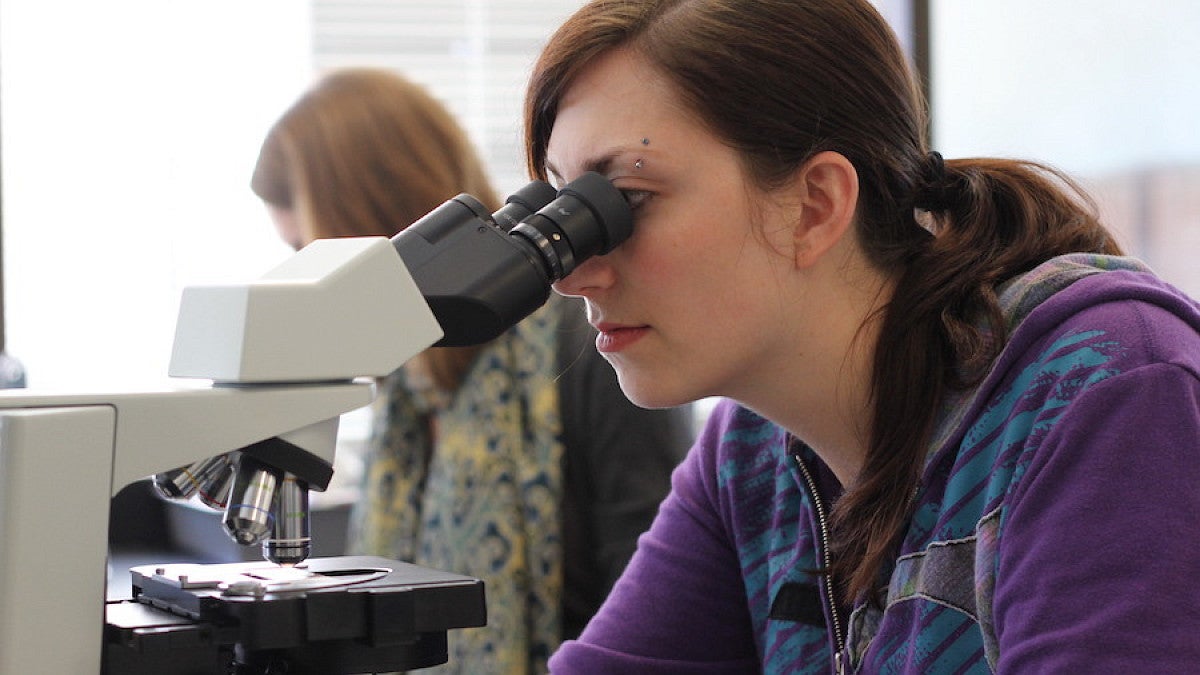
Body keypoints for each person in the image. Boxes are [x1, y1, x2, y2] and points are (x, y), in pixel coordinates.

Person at [522, 1, 1200, 673]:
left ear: (815, 206)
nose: (575, 274)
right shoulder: (755, 450)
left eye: (627, 200)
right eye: (561, 204)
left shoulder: (1107, 390)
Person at [250, 67, 695, 674]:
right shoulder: (409, 385)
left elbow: (659, 611)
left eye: (311, 248)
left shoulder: (592, 344)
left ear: (372, 222)